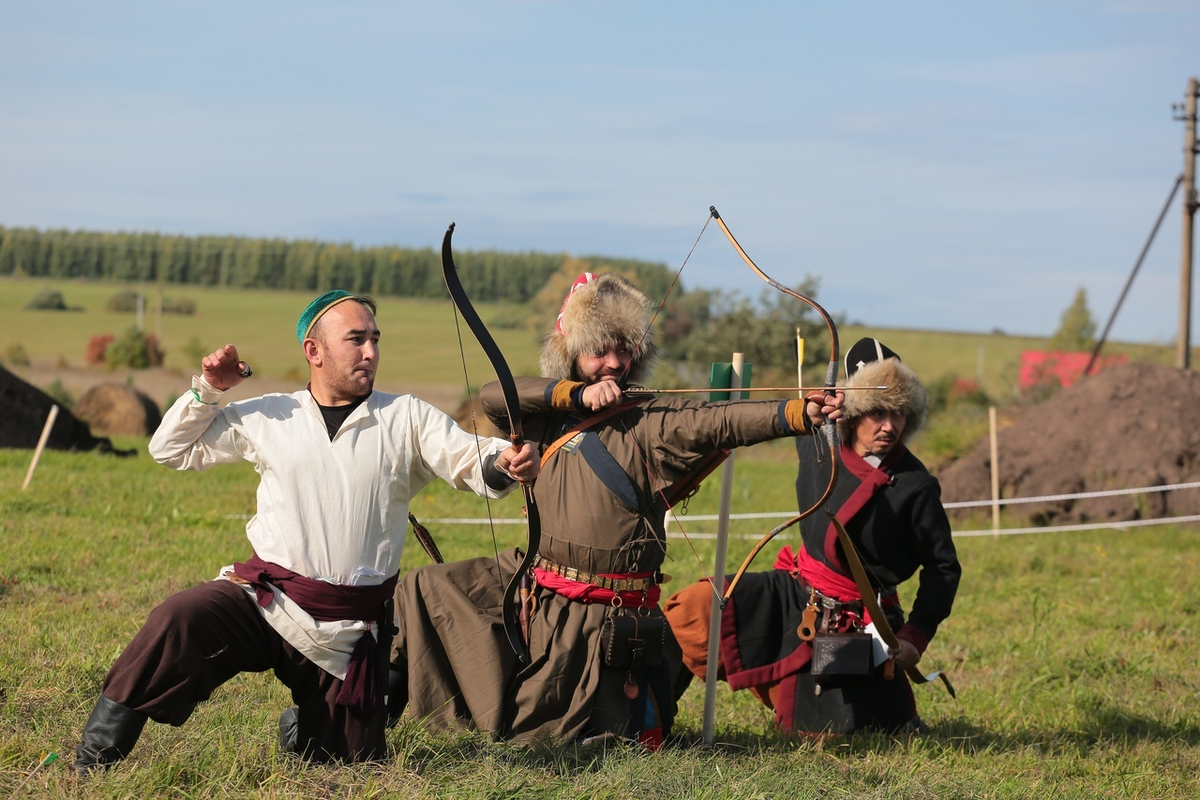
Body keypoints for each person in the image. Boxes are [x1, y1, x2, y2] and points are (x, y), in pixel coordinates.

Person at [73, 290, 539, 773]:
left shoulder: (406, 417)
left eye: (375, 340)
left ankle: (303, 726)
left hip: (347, 632)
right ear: (314, 352)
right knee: (179, 620)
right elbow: (169, 449)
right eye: (356, 339)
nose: (371, 352)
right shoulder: (273, 414)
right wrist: (208, 391)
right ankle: (92, 762)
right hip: (265, 601)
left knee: (346, 768)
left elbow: (471, 460)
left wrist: (504, 461)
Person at [387, 272, 842, 749]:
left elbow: (718, 420)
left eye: (624, 349)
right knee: (421, 589)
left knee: (552, 739)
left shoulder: (649, 422)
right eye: (599, 349)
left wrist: (796, 414)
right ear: (571, 353)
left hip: (598, 611)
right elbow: (493, 394)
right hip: (533, 581)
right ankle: (367, 720)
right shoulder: (544, 412)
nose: (613, 363)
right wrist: (575, 395)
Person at [664, 337, 961, 735]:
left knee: (826, 730)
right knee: (691, 612)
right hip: (795, 593)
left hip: (858, 623)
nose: (890, 425)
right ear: (852, 409)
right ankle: (649, 724)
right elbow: (787, 417)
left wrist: (914, 635)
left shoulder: (915, 485)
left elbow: (943, 569)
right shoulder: (818, 438)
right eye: (877, 410)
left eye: (900, 412)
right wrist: (810, 407)